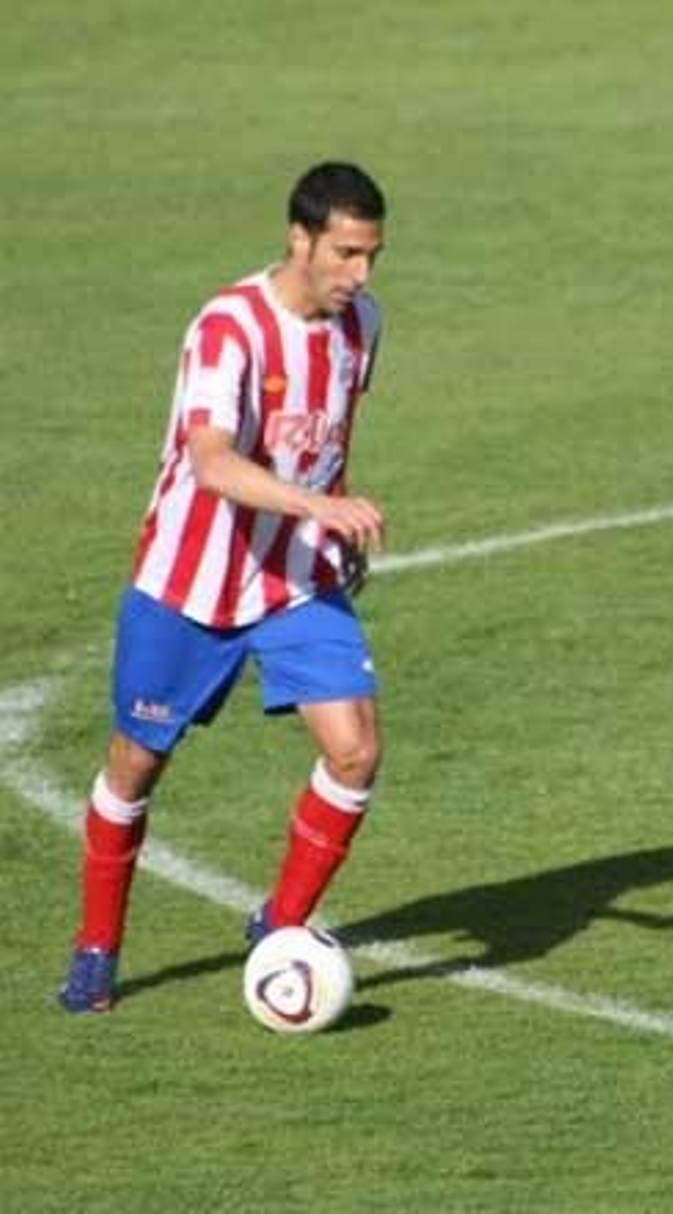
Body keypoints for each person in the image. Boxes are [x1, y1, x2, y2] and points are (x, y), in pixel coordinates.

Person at [57, 162, 391, 1014]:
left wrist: (330, 527)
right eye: (347, 254)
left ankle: (281, 924)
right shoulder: (228, 328)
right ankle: (97, 949)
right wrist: (323, 504)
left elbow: (328, 433)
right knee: (136, 766)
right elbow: (211, 462)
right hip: (187, 585)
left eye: (372, 257)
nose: (360, 275)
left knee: (355, 750)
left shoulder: (363, 328)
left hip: (296, 579)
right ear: (300, 239)